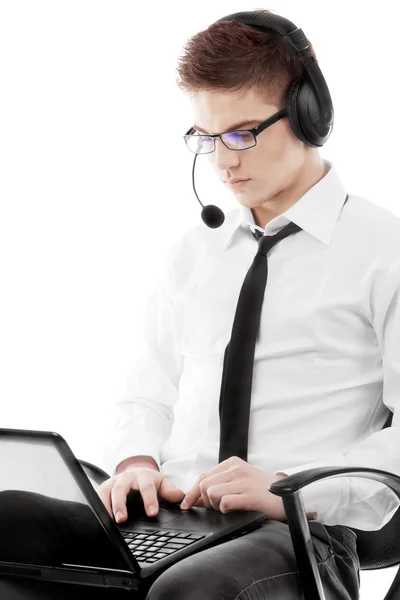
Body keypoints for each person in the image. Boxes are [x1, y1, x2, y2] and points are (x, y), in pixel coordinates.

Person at [1, 7, 399, 600]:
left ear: (310, 116)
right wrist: (136, 463)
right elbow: (146, 391)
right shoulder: (195, 252)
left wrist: (288, 489)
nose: (222, 161)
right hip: (174, 515)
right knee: (9, 527)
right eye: (206, 138)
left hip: (297, 531)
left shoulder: (382, 251)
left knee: (189, 591)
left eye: (242, 133)